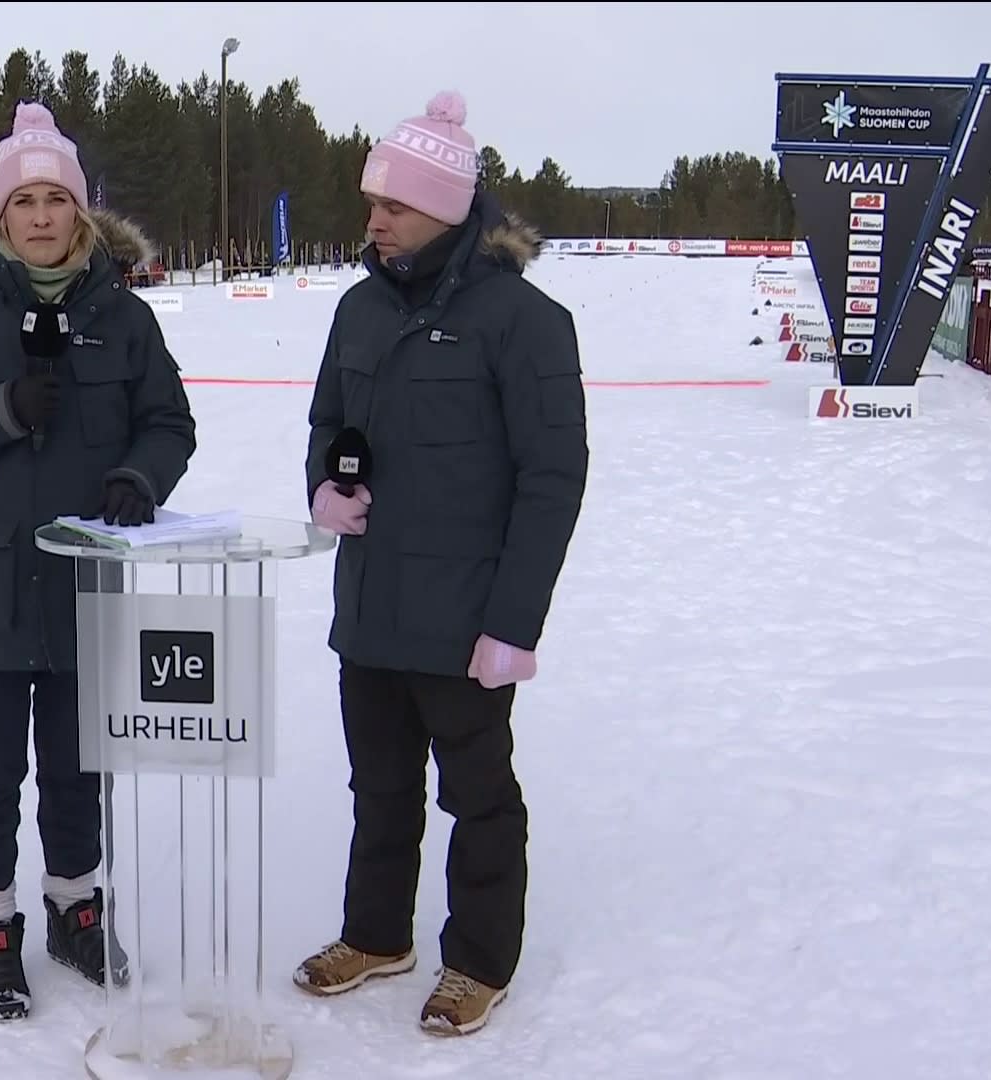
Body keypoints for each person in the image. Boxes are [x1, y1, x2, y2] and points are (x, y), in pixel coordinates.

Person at [0, 101, 198, 1023]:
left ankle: (74, 911)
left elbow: (169, 422)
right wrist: (0, 412)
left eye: (57, 198)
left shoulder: (124, 318)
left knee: (78, 764)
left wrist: (140, 476)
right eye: (24, 202)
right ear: (1, 215)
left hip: (84, 583)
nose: (42, 216)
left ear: (82, 210)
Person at [293, 90, 589, 1037]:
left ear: (448, 208)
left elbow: (553, 478)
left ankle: (479, 961)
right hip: (372, 603)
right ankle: (376, 935)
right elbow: (327, 423)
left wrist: (514, 624)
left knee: (479, 797)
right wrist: (324, 487)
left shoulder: (523, 320)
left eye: (395, 205)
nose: (375, 222)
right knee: (378, 788)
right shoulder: (358, 310)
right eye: (372, 204)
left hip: (465, 616)